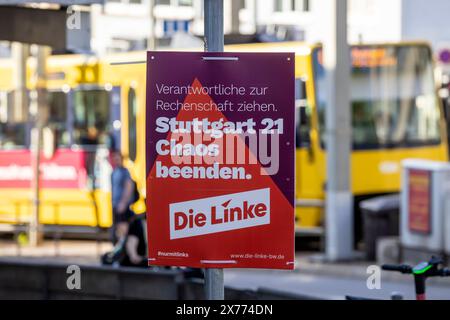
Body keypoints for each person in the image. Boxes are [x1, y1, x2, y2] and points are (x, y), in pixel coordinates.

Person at [110, 150, 135, 244]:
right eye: (114, 158)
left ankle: (122, 249)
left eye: (118, 158)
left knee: (122, 230)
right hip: (115, 204)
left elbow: (129, 186)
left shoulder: (125, 172)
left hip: (122, 205)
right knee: (116, 229)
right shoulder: (114, 172)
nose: (116, 160)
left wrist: (123, 203)